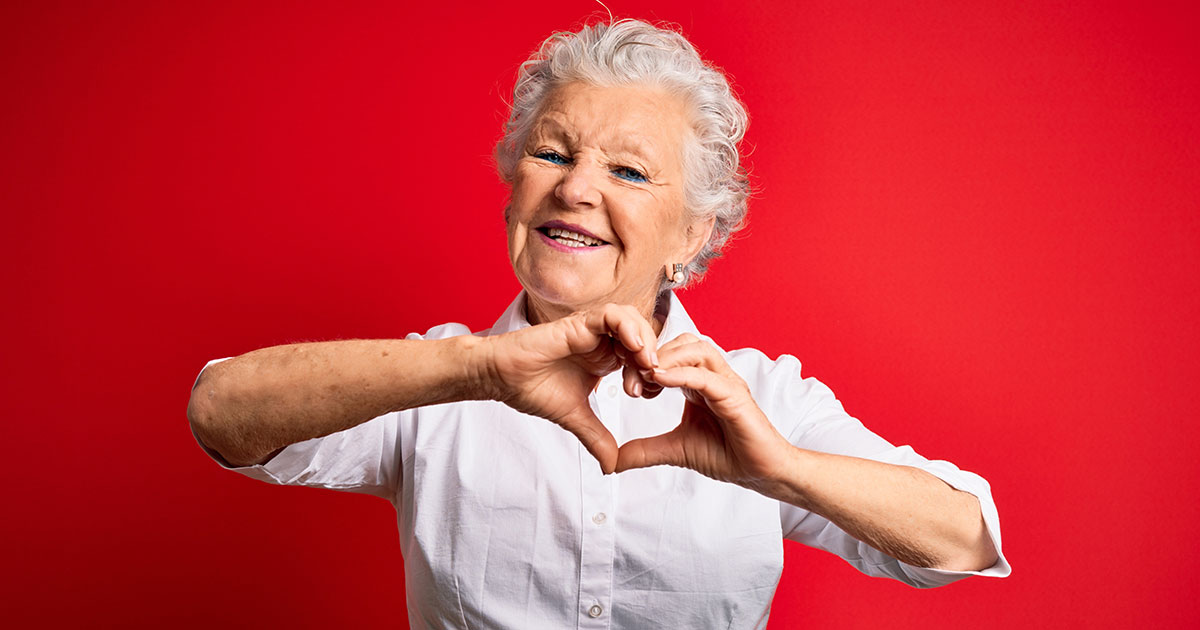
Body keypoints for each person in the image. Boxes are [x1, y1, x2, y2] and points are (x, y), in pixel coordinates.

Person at [187, 18, 1009, 629]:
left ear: (693, 235)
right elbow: (220, 414)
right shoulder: (439, 375)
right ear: (514, 189)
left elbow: (965, 539)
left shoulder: (761, 398)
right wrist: (476, 370)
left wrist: (782, 468)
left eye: (627, 170)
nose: (576, 188)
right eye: (552, 153)